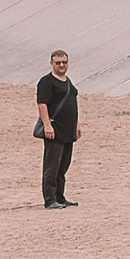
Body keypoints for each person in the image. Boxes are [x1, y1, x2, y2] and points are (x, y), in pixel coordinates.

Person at [35, 49, 81, 209]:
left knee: (63, 166)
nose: (62, 65)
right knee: (52, 166)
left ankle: (60, 197)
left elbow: (72, 104)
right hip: (54, 130)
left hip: (68, 130)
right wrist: (47, 125)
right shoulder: (46, 81)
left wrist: (77, 124)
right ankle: (50, 200)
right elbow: (42, 104)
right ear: (51, 63)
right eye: (58, 63)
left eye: (64, 62)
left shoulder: (67, 81)